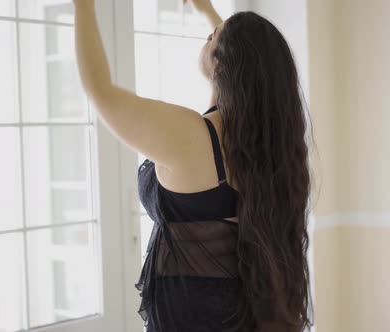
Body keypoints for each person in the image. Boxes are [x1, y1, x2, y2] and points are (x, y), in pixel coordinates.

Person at [73, 0, 314, 331]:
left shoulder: (191, 137)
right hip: (242, 313)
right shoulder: (269, 152)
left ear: (222, 64)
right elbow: (246, 60)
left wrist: (83, 7)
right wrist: (207, 12)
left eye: (211, 36)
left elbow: (100, 91)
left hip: (191, 317)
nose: (207, 36)